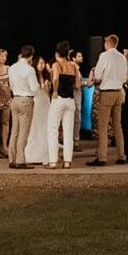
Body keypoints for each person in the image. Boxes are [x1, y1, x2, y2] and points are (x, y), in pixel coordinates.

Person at [88, 34, 128, 166]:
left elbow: (98, 75)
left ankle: (102, 157)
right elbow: (124, 77)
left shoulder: (104, 56)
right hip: (118, 91)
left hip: (107, 92)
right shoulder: (122, 57)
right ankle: (121, 155)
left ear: (107, 44)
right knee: (118, 125)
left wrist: (96, 78)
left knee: (103, 126)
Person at [7, 45, 42, 167]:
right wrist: (38, 86)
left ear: (21, 54)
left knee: (14, 131)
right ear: (31, 56)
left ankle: (11, 159)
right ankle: (20, 160)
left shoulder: (11, 68)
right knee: (23, 132)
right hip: (25, 100)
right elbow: (34, 88)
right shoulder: (29, 69)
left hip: (15, 99)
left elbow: (11, 86)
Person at [47, 40, 79, 168]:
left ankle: (53, 161)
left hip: (58, 98)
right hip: (70, 101)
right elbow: (77, 85)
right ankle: (67, 161)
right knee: (68, 131)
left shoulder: (56, 64)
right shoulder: (73, 66)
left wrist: (54, 91)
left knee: (53, 129)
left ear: (57, 53)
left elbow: (55, 79)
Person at [0, 47, 14, 158]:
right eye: (2, 56)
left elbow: (12, 83)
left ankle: (5, 146)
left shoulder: (8, 68)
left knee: (5, 122)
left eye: (5, 56)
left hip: (7, 99)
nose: (4, 58)